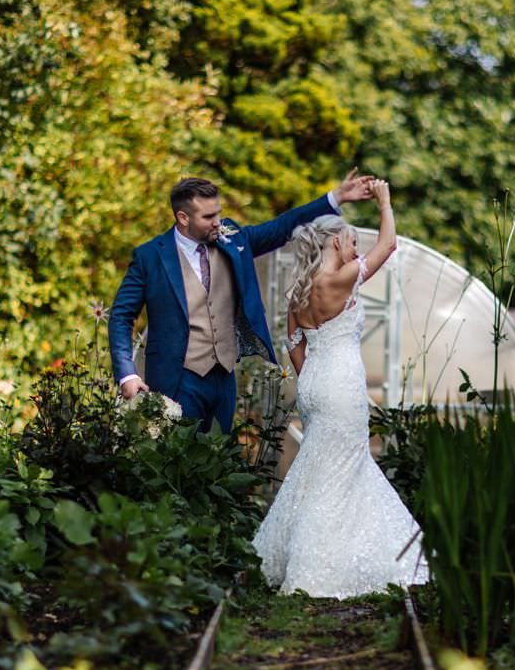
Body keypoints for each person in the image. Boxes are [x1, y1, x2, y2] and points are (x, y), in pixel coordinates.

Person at [252, 179, 429, 598]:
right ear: (333, 243)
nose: (354, 248)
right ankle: (320, 565)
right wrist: (385, 203)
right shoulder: (339, 280)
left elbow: (292, 342)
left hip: (315, 383)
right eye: (350, 240)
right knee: (342, 470)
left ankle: (303, 552)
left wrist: (309, 373)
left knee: (324, 468)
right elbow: (387, 247)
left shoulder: (302, 289)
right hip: (340, 387)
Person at [109, 171, 375, 433]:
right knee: (176, 467)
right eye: (208, 216)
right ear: (183, 217)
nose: (217, 222)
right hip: (176, 379)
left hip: (224, 377)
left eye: (219, 213)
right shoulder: (149, 256)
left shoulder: (232, 239)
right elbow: (121, 316)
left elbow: (281, 227)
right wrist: (127, 375)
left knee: (220, 461)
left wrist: (336, 197)